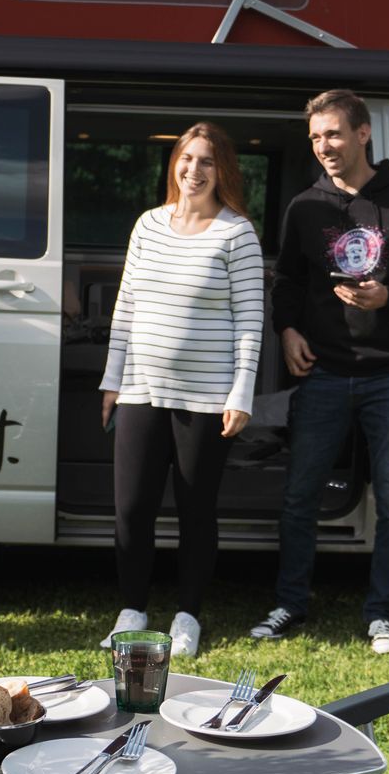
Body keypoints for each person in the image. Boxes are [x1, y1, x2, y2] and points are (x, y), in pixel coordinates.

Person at [254, 89, 389, 654]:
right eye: (316, 137)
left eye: (335, 134)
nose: (324, 147)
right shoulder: (305, 207)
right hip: (323, 372)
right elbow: (288, 281)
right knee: (300, 495)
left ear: (364, 134)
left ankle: (382, 615)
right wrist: (288, 331)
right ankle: (290, 603)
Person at [99, 122, 265, 659]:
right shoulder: (148, 225)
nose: (194, 170)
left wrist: (241, 392)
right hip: (140, 388)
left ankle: (187, 615)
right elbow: (124, 307)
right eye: (187, 159)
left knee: (195, 509)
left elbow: (249, 321)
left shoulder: (236, 234)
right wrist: (111, 379)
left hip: (207, 398)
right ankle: (132, 609)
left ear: (224, 173)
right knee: (132, 507)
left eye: (207, 162)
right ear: (175, 163)